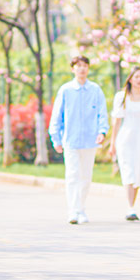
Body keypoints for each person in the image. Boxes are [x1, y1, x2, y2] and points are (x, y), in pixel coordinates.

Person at [49, 55, 109, 225]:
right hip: (71, 140)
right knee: (72, 175)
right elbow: (57, 116)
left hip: (90, 140)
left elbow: (102, 114)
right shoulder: (66, 90)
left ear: (88, 69)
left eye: (85, 66)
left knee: (86, 177)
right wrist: (56, 139)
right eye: (78, 66)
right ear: (73, 69)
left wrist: (102, 132)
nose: (82, 69)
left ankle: (81, 208)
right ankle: (73, 210)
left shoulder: (95, 90)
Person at [107, 68, 140, 221]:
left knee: (137, 171)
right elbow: (117, 121)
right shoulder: (122, 96)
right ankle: (130, 207)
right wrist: (112, 144)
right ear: (130, 79)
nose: (139, 80)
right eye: (136, 77)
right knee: (128, 170)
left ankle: (132, 206)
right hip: (125, 137)